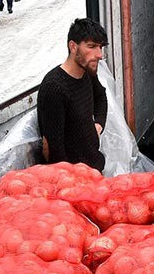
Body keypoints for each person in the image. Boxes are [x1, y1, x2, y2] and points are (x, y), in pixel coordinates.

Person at [37, 17, 110, 171]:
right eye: (92, 46)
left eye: (100, 47)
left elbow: (101, 96)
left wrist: (98, 125)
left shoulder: (87, 73)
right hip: (76, 182)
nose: (99, 55)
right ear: (73, 46)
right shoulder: (54, 88)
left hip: (95, 167)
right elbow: (55, 154)